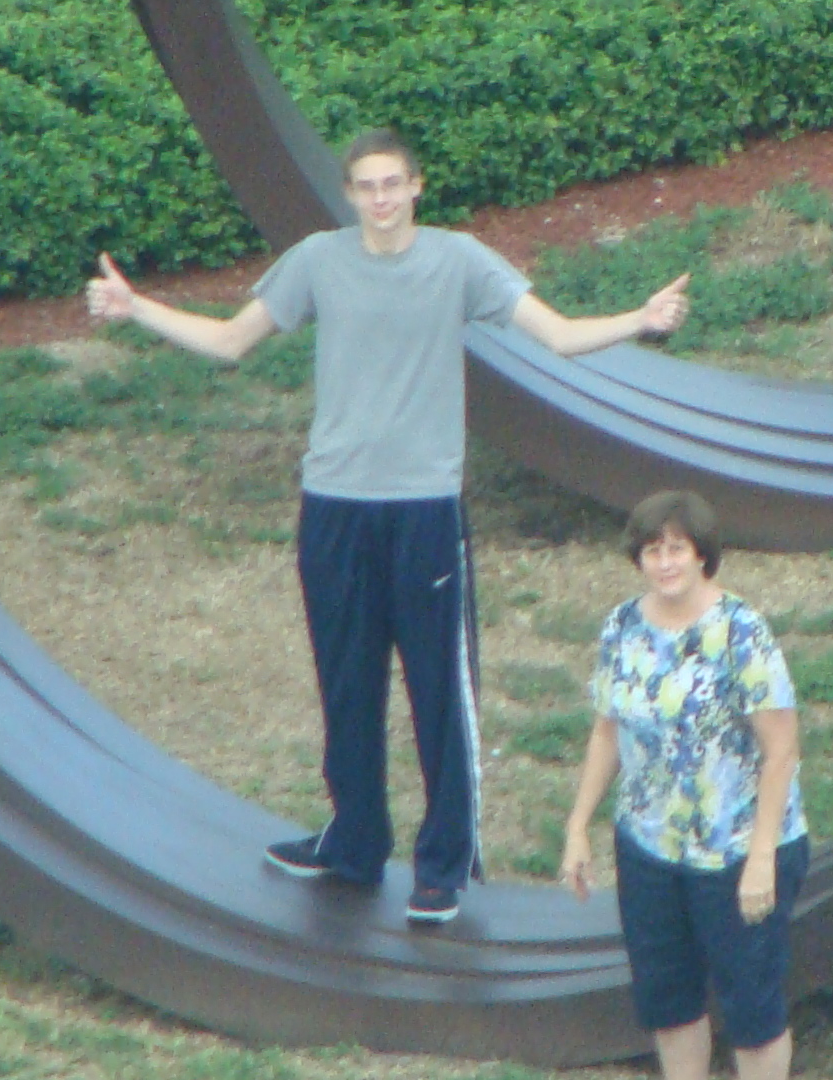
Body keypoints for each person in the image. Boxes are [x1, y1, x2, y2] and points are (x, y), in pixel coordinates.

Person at [84, 128, 692, 925]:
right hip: (334, 506)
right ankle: (354, 842)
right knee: (347, 683)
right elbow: (231, 342)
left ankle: (442, 866)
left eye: (392, 184)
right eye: (365, 186)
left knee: (438, 690)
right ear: (350, 195)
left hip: (423, 511)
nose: (379, 199)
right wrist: (137, 310)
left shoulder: (459, 261)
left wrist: (640, 318)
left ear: (417, 187)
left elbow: (559, 334)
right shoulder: (317, 261)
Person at [560, 489, 807, 1080]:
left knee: (752, 1010)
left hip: (737, 849)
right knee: (668, 1002)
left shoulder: (741, 632)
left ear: (702, 556)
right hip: (650, 847)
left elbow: (782, 751)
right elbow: (605, 732)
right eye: (653, 550)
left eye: (677, 548)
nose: (666, 562)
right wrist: (577, 826)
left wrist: (761, 859)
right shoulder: (622, 625)